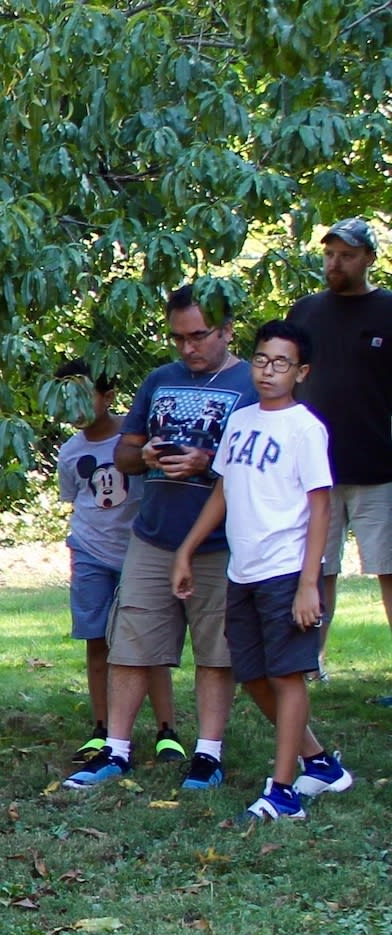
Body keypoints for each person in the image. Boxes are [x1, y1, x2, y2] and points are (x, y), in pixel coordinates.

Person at [68, 287, 256, 793]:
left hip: (220, 542)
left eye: (198, 336)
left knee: (216, 651)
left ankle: (207, 754)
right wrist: (147, 453)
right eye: (178, 338)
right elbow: (124, 456)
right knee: (130, 645)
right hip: (152, 537)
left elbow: (263, 468)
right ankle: (117, 750)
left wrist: (207, 462)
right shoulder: (160, 379)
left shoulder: (252, 383)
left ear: (227, 329)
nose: (188, 348)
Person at [171, 317, 351, 819]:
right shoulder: (243, 419)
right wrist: (187, 548)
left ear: (302, 371)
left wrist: (309, 583)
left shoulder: (305, 429)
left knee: (289, 675)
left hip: (286, 570)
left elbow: (321, 506)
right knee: (252, 675)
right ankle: (319, 762)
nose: (269, 371)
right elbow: (224, 491)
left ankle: (283, 790)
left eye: (281, 363)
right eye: (262, 360)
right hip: (242, 570)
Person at [287, 220, 392, 667]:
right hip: (314, 471)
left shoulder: (389, 309)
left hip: (378, 468)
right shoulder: (305, 312)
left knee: (388, 568)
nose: (336, 263)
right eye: (330, 254)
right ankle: (312, 663)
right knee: (317, 568)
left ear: (369, 258)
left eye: (347, 255)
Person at [54, 362, 167, 763]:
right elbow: (76, 499)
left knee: (146, 642)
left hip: (139, 552)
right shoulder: (69, 452)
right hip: (89, 551)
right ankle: (102, 729)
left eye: (85, 394)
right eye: (66, 397)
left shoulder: (135, 438)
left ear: (109, 396)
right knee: (97, 640)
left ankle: (165, 730)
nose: (76, 406)